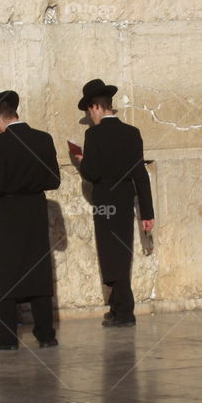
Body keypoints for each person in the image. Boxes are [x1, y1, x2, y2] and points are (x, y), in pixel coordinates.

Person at [0, 90, 61, 350]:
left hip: (8, 214)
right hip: (35, 210)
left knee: (6, 273)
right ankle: (46, 335)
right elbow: (53, 180)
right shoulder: (43, 139)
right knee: (38, 270)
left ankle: (8, 338)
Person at [76, 79, 155, 327]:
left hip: (104, 202)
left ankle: (125, 312)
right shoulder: (132, 134)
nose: (90, 116)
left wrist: (80, 159)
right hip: (124, 201)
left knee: (111, 255)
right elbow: (141, 176)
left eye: (89, 111)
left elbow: (92, 173)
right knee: (120, 253)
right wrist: (147, 212)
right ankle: (117, 307)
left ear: (96, 107)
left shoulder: (93, 135)